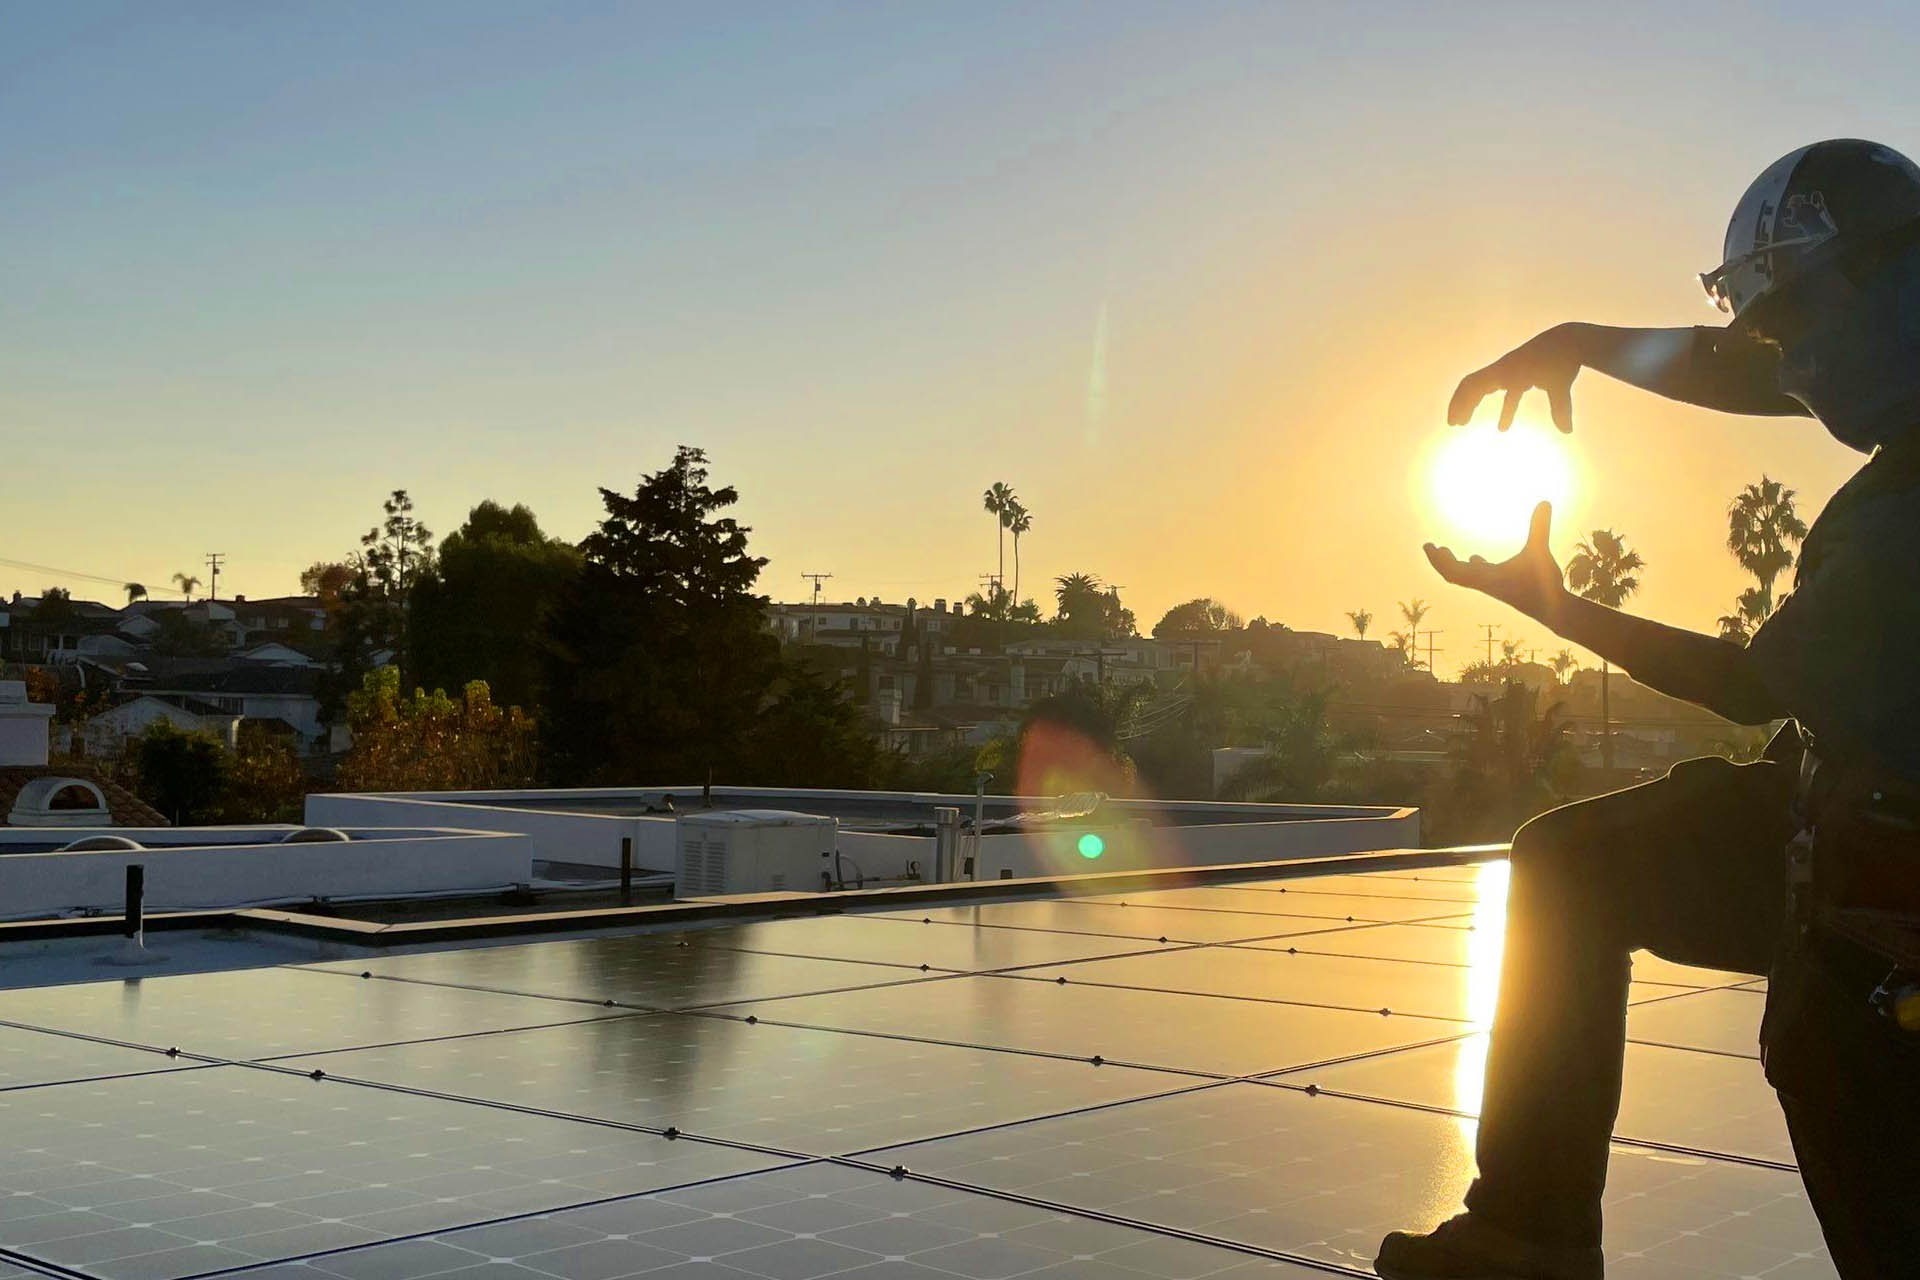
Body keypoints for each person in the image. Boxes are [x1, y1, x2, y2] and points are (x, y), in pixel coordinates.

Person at [1373, 138, 1920, 1280]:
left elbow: (1749, 683)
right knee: (1575, 863)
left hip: (1885, 871)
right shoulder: (1890, 351)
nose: (1789, 363)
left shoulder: (1900, 512)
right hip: (1844, 803)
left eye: (1799, 318)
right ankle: (1528, 1233)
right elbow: (1755, 365)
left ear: (1891, 269)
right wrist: (1577, 342)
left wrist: (1563, 611)